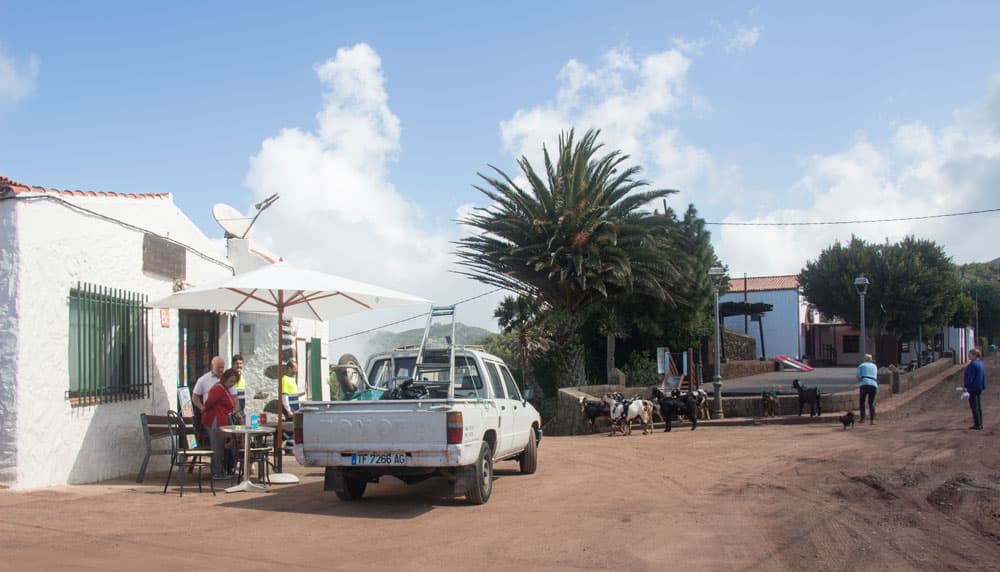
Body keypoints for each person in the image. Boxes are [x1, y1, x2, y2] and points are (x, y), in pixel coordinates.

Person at [203, 368, 239, 479]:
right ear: (225, 379)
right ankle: (217, 472)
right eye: (230, 381)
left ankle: (221, 471)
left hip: (222, 420)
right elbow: (208, 403)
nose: (232, 384)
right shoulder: (218, 389)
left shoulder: (225, 389)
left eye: (234, 382)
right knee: (217, 447)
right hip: (215, 420)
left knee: (222, 446)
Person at [280, 359, 304, 454]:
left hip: (295, 406)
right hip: (290, 408)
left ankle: (287, 444)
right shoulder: (285, 379)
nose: (296, 370)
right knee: (291, 427)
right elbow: (284, 396)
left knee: (293, 427)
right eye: (295, 368)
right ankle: (284, 442)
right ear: (289, 368)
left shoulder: (292, 379)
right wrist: (288, 410)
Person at [964, 348, 986, 430]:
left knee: (974, 406)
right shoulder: (980, 363)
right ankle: (980, 423)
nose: (968, 355)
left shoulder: (973, 365)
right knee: (978, 406)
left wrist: (966, 386)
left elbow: (970, 377)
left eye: (970, 354)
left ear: (974, 355)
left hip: (973, 387)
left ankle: (977, 424)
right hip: (979, 387)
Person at [856, 353, 878, 425]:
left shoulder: (861, 365)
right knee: (871, 403)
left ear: (864, 359)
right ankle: (872, 420)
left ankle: (863, 418)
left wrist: (861, 380)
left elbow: (858, 377)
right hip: (873, 384)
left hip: (864, 384)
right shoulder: (874, 366)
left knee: (862, 401)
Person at [232, 354, 246, 418]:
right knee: (236, 427)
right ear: (233, 364)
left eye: (241, 363)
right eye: (237, 364)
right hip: (235, 411)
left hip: (241, 408)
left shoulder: (241, 375)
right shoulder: (231, 376)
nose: (239, 366)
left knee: (240, 427)